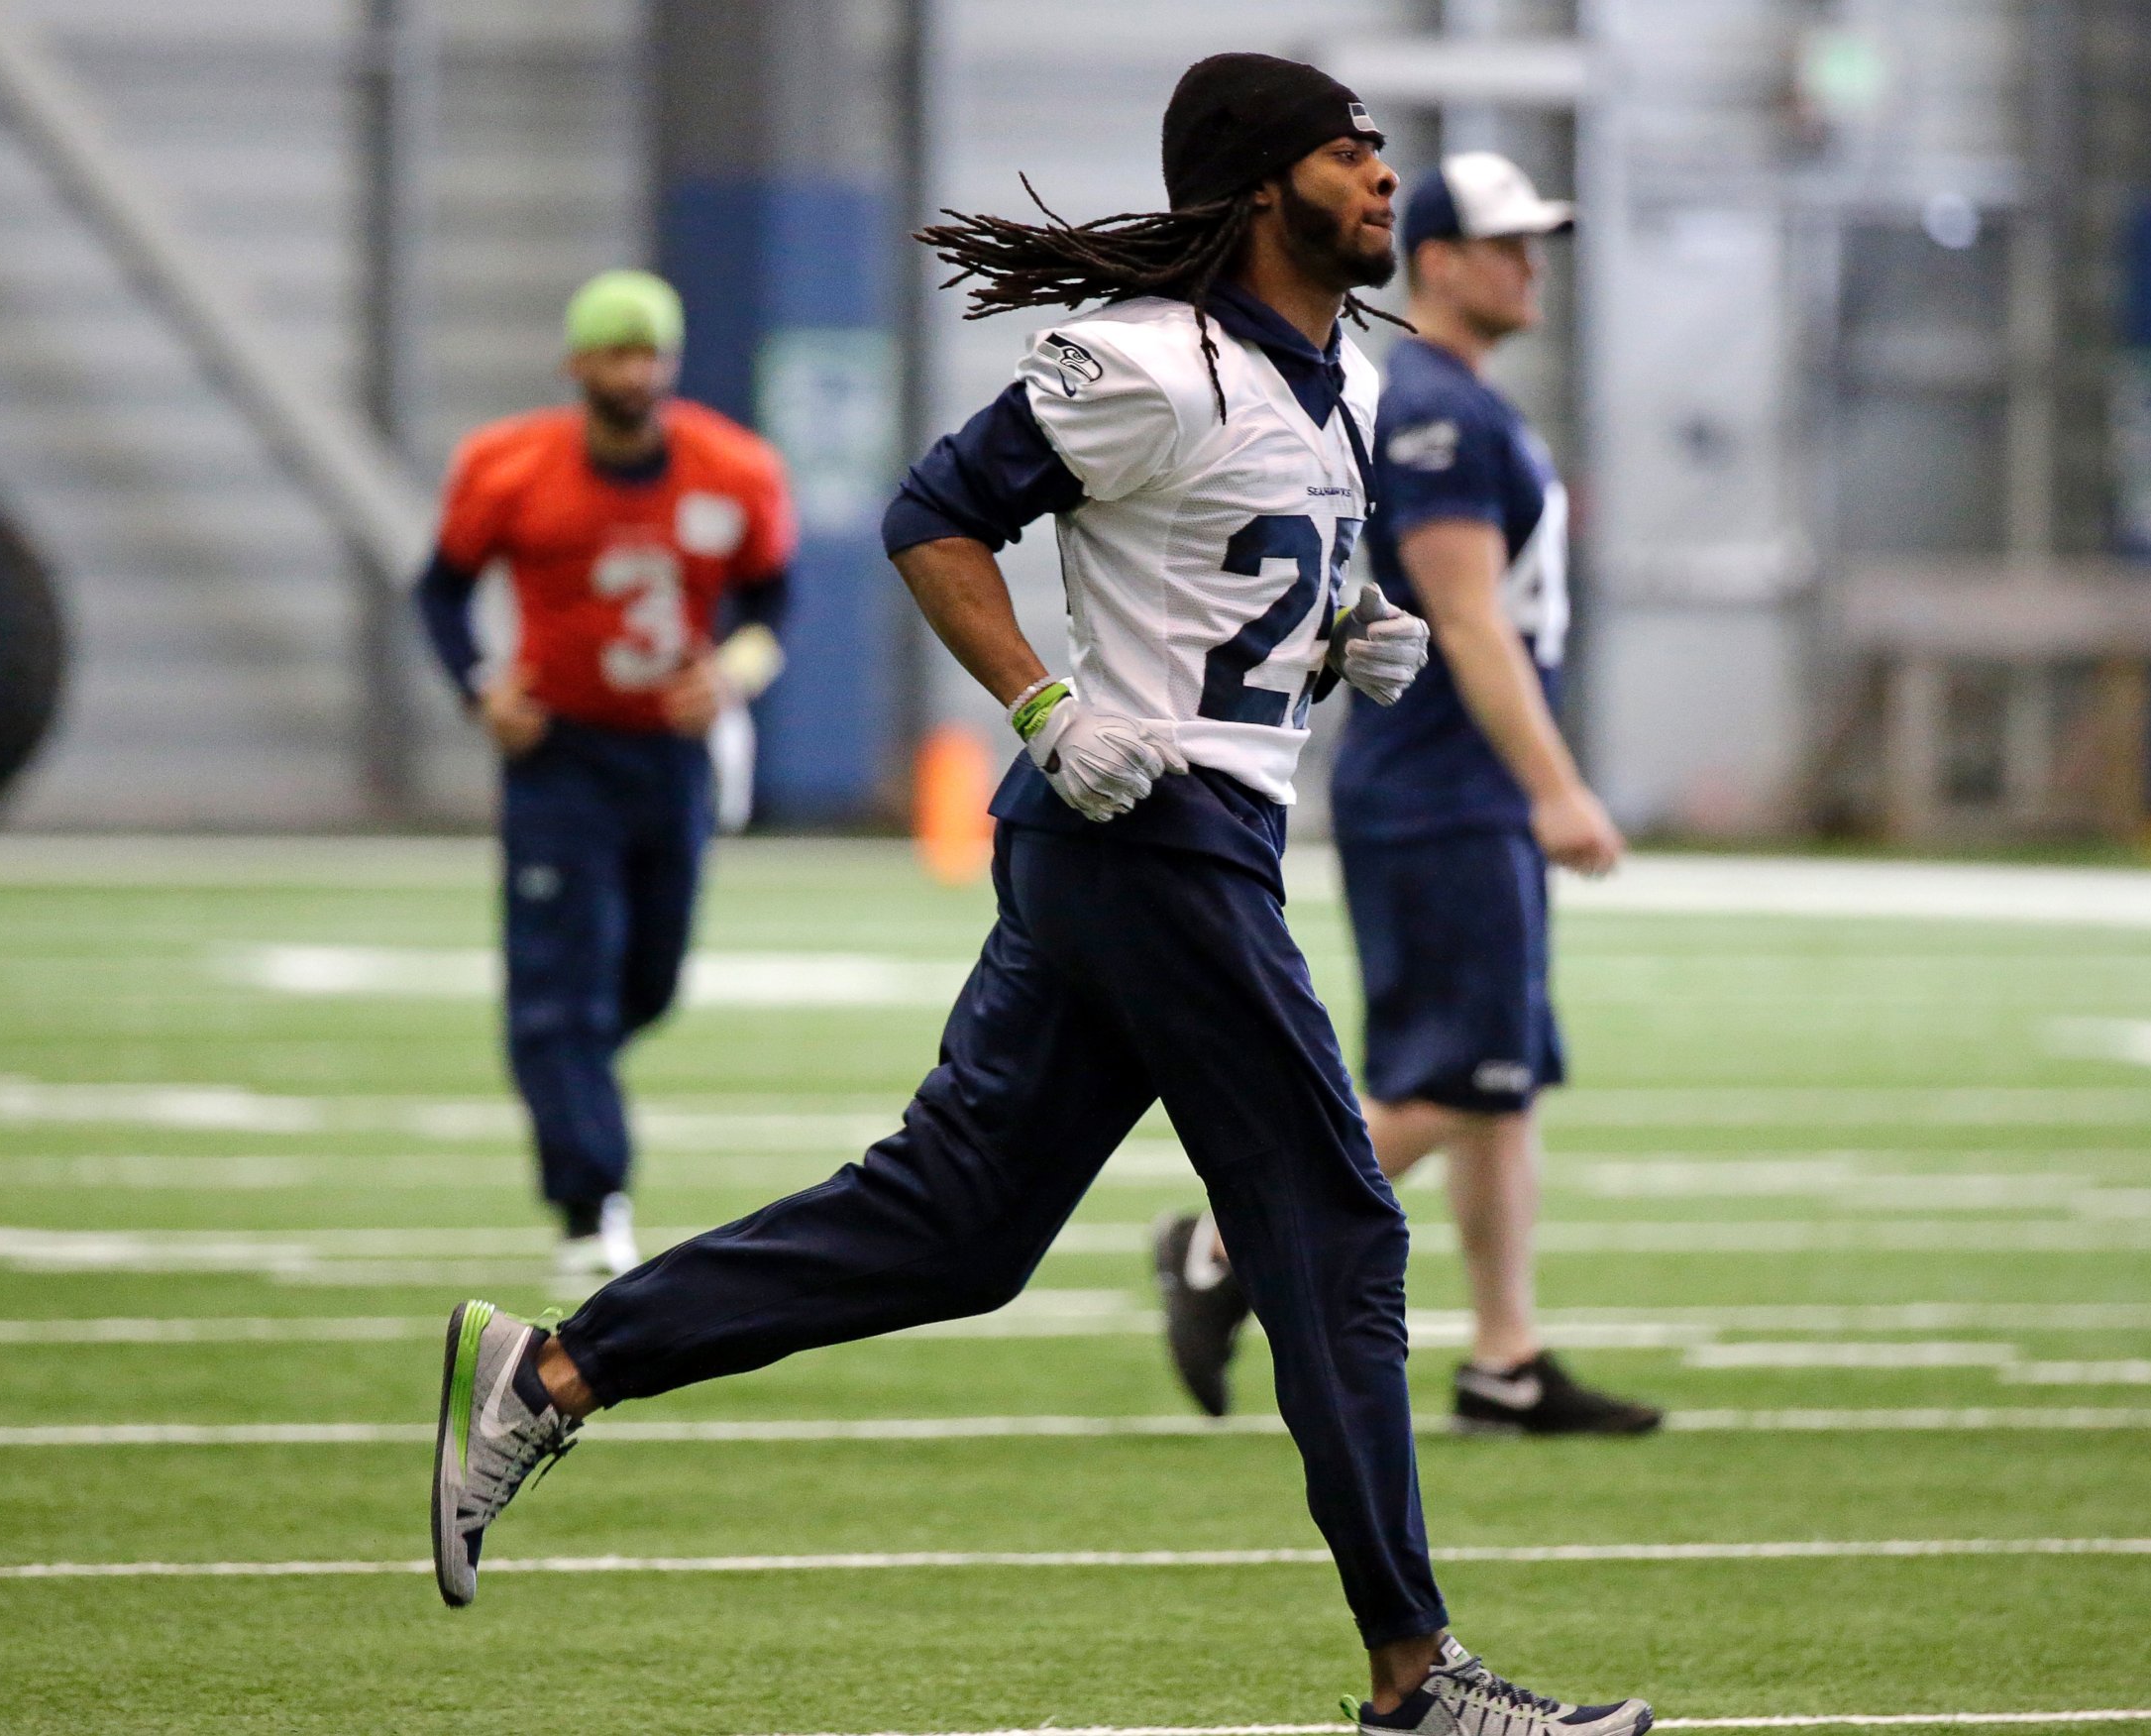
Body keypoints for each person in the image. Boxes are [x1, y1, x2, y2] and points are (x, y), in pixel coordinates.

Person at [428, 57, 1652, 1736]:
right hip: (1146, 832)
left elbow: (1234, 566)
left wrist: (1342, 630)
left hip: (1172, 840)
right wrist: (1041, 702)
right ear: (1259, 183)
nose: (1383, 174)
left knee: (959, 1223)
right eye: (1345, 147)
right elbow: (936, 514)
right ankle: (1412, 1675)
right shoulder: (1155, 360)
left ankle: (557, 1367)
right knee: (1335, 1217)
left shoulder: (1335, 378)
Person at [1153, 155, 1661, 1438]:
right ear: (1436, 260)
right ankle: (1220, 1245)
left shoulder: (1454, 396)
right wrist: (1555, 788)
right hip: (1448, 789)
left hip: (1452, 787)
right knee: (1454, 1077)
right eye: (1506, 245)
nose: (1530, 266)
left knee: (1502, 1078)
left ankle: (1504, 1359)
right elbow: (1470, 622)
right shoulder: (1434, 404)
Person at [413, 270, 796, 1282]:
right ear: (576, 362)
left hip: (670, 756)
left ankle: (564, 1068)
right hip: (561, 754)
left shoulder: (734, 467)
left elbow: (772, 605)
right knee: (561, 995)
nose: (634, 371)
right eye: (615, 351)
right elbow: (442, 591)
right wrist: (477, 691)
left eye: (650, 351)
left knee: (649, 982)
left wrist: (732, 675)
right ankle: (591, 1198)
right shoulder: (507, 466)